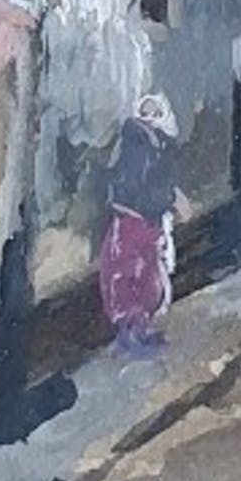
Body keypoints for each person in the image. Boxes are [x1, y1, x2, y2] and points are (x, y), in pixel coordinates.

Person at [98, 88, 182, 351]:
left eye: (155, 111)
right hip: (136, 217)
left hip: (145, 218)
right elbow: (139, 182)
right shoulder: (140, 142)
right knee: (130, 272)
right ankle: (130, 333)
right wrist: (165, 201)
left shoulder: (155, 143)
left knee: (145, 273)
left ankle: (139, 329)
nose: (151, 116)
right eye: (147, 111)